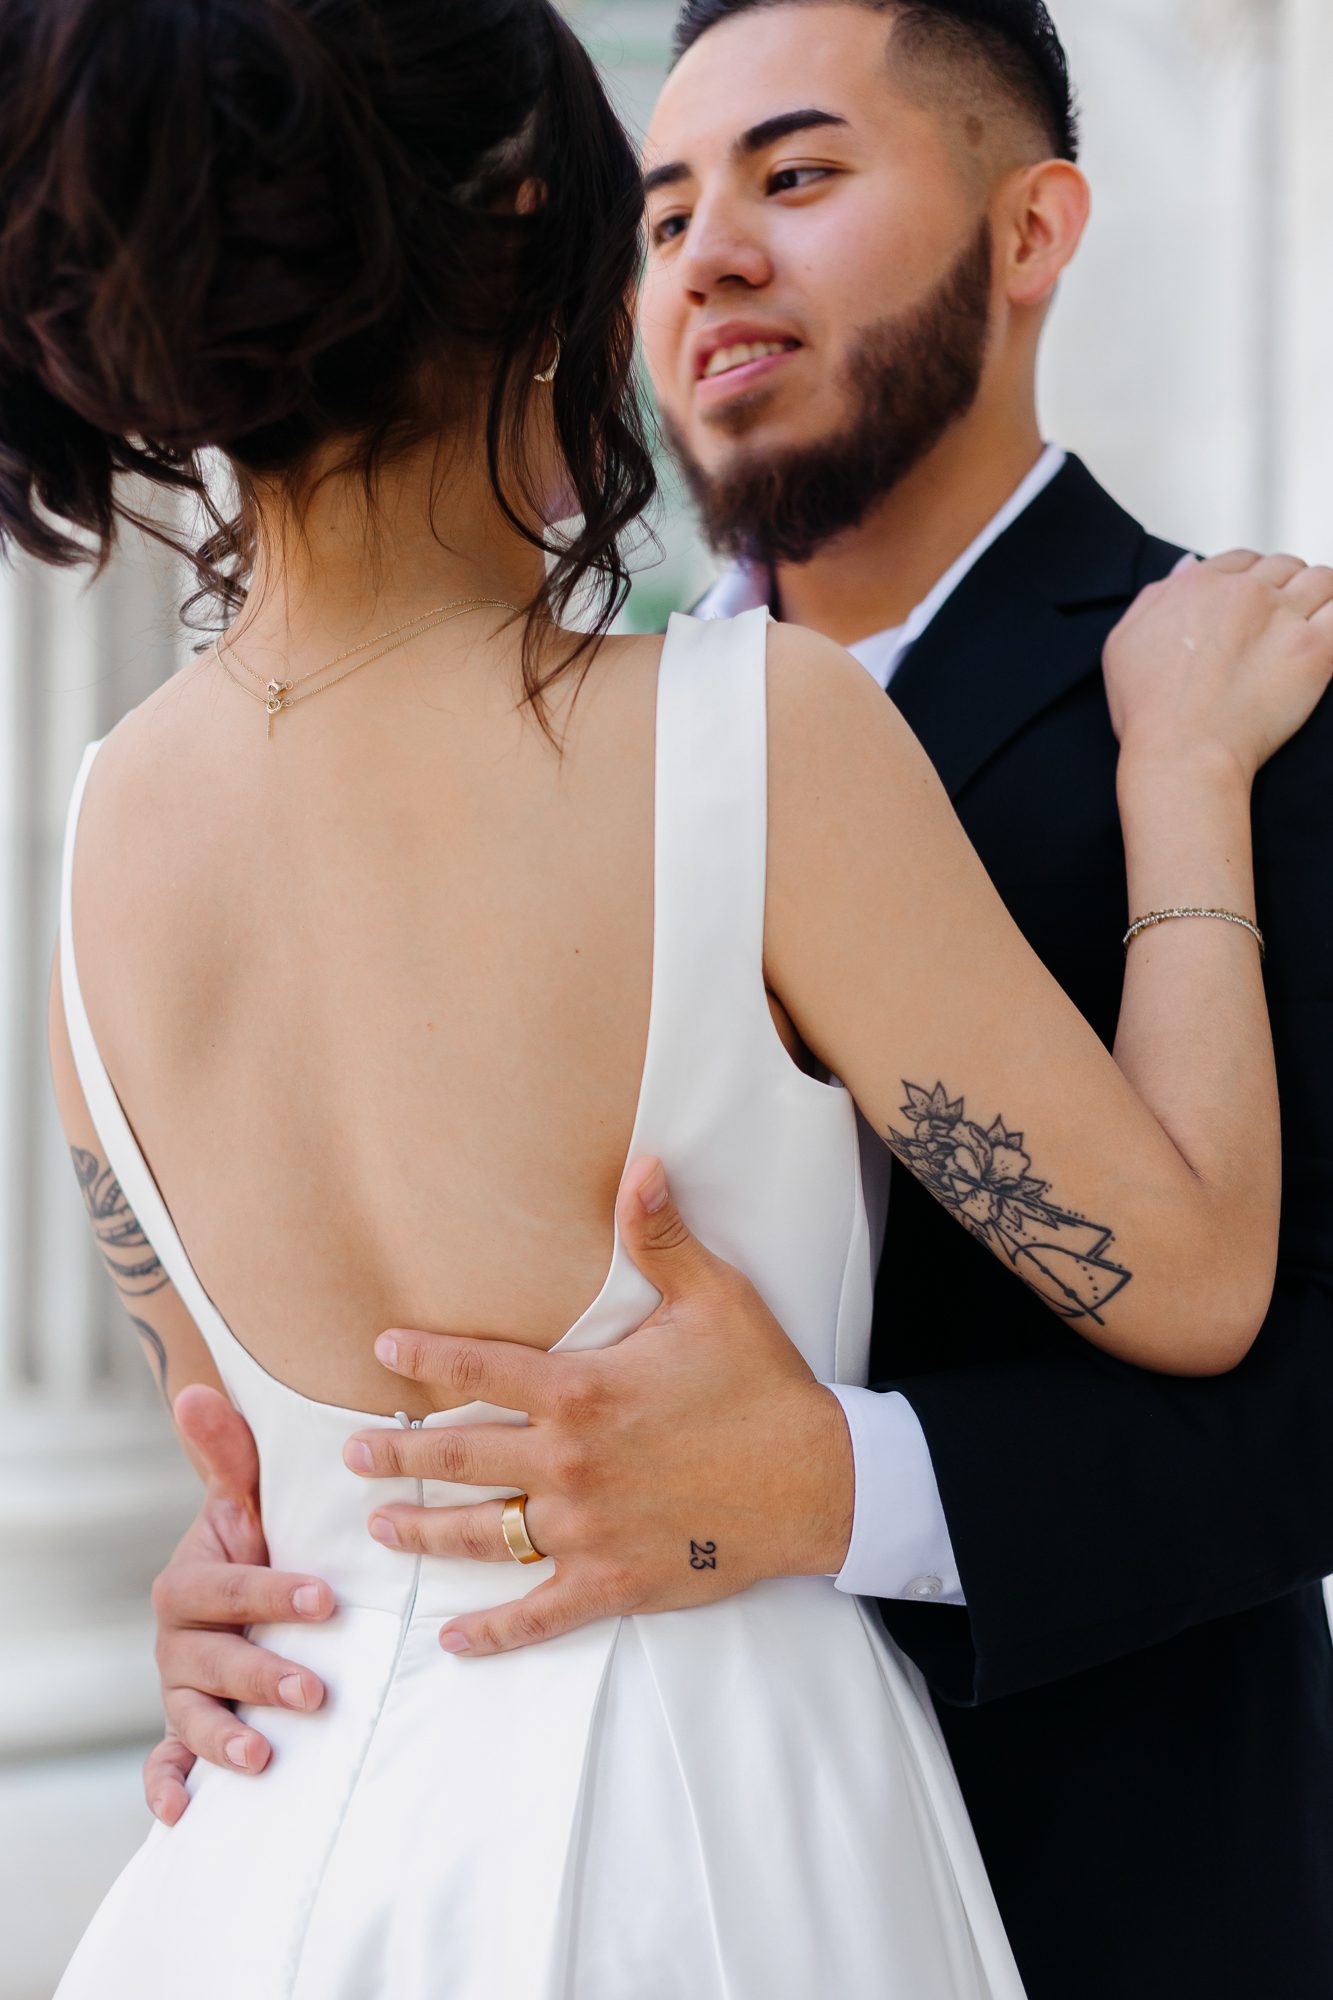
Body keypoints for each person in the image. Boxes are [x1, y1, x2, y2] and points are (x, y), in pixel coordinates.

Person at [20, 0, 1329, 1994]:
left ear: (1031, 228)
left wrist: (846, 1485)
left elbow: (240, 1419)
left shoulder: (104, 823)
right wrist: (221, 1580)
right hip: (725, 1854)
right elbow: (245, 1496)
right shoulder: (762, 728)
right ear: (532, 250)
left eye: (796, 175)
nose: (703, 255)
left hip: (297, 1883)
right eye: (649, 210)